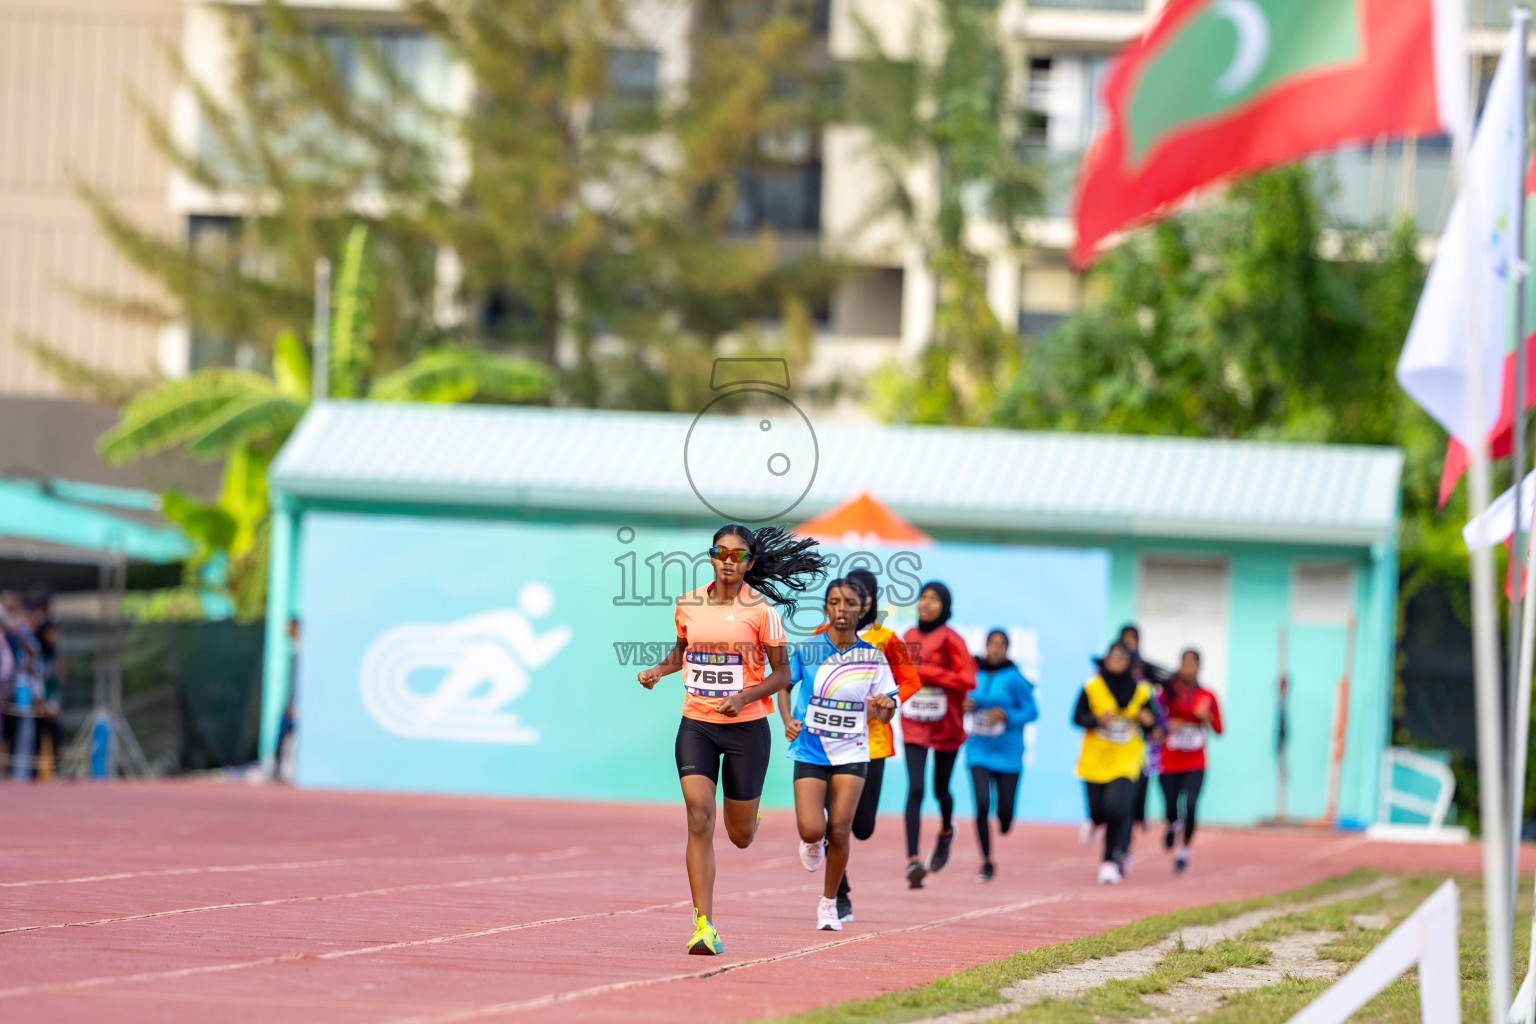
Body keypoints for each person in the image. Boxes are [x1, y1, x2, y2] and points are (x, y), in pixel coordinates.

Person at [637, 524, 828, 955]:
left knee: (739, 835)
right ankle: (704, 924)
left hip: (746, 729)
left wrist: (744, 697)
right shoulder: (688, 603)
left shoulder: (761, 612)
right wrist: (658, 670)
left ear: (750, 563)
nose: (728, 560)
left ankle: (750, 816)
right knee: (699, 815)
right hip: (697, 724)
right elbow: (683, 649)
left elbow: (781, 674)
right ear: (711, 556)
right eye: (720, 553)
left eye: (737, 555)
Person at [782, 578, 899, 930]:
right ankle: (812, 841)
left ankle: (829, 904)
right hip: (810, 750)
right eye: (835, 602)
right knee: (811, 828)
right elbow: (784, 687)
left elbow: (888, 706)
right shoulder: (808, 649)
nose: (842, 609)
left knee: (842, 829)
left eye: (850, 603)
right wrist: (788, 720)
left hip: (852, 751)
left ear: (861, 610)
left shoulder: (873, 657)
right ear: (826, 608)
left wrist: (884, 705)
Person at [821, 568, 921, 924]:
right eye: (846, 596)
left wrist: (888, 701)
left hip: (872, 744)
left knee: (862, 827)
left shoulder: (887, 638)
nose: (853, 603)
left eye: (861, 596)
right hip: (828, 745)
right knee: (837, 824)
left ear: (870, 601)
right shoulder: (822, 635)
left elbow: (910, 680)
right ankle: (840, 895)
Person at [900, 581, 977, 889]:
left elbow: (968, 679)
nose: (926, 603)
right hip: (915, 722)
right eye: (923, 598)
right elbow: (903, 673)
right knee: (915, 788)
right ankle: (912, 861)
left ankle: (946, 831)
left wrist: (929, 672)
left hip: (946, 725)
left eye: (933, 599)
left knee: (940, 791)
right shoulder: (908, 636)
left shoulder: (952, 639)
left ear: (944, 606)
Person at [1072, 641, 1159, 884]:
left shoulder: (1142, 691)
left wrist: (1148, 720)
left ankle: (1109, 860)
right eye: (1113, 656)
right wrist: (1097, 719)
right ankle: (1094, 821)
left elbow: (1155, 726)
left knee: (1117, 807)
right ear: (1106, 660)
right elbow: (1077, 717)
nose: (1117, 661)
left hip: (1126, 757)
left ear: (1129, 663)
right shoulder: (1092, 687)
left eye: (1122, 657)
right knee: (1099, 810)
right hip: (1095, 757)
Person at [964, 630, 1038, 882]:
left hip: (1009, 752)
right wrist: (965, 704)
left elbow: (1032, 711)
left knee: (1005, 814)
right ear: (985, 646)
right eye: (991, 644)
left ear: (1008, 649)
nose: (995, 649)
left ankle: (1006, 820)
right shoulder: (974, 674)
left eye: (1001, 645)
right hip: (978, 749)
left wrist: (1007, 716)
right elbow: (960, 699)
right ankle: (986, 861)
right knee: (982, 804)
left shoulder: (1015, 678)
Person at [1159, 649, 1223, 874]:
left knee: (1192, 804)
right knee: (1170, 804)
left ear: (1199, 666)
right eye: (1185, 664)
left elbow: (1218, 729)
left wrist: (1207, 717)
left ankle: (1183, 852)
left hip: (1195, 761)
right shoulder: (1168, 692)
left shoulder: (1208, 696)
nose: (1188, 669)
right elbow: (1156, 717)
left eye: (1192, 664)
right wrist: (1169, 723)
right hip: (1170, 759)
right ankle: (1171, 823)